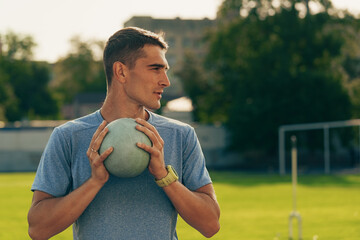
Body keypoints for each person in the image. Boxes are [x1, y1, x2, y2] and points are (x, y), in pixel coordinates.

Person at [27, 27, 220, 240]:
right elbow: (38, 229)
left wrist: (164, 176)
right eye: (155, 69)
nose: (166, 81)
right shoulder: (68, 137)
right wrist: (94, 182)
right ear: (121, 72)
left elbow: (210, 224)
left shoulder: (181, 135)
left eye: (165, 70)